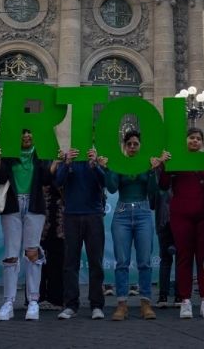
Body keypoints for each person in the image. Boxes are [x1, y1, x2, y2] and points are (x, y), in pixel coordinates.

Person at [157, 128, 204, 319]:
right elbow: (163, 185)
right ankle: (185, 301)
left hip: (203, 217)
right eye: (191, 138)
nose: (195, 141)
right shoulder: (175, 159)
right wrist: (164, 165)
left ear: (202, 142)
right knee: (183, 258)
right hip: (180, 216)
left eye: (198, 139)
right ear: (185, 141)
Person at [0, 129, 53, 321]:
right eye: (23, 132)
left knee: (32, 252)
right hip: (12, 205)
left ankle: (33, 300)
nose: (27, 136)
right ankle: (8, 301)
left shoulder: (40, 153)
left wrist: (57, 161)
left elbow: (46, 178)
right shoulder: (9, 154)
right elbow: (2, 178)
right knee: (11, 254)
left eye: (30, 133)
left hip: (34, 205)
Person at [105, 131, 160, 321]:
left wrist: (153, 171)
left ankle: (146, 304)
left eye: (136, 144)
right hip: (122, 213)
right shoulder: (119, 163)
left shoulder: (146, 164)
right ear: (124, 146)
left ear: (140, 146)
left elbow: (152, 191)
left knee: (144, 261)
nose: (132, 147)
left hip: (143, 211)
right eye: (129, 144)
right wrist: (109, 168)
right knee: (122, 262)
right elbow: (112, 187)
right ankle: (122, 305)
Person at [53, 147, 108, 320]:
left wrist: (96, 165)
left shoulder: (96, 158)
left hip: (94, 215)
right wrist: (67, 163)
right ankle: (70, 305)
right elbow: (58, 182)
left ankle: (97, 305)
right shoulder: (69, 158)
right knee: (70, 263)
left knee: (95, 262)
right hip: (71, 215)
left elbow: (106, 182)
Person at [39, 167, 65, 311]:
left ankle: (57, 298)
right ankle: (37, 297)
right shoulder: (42, 158)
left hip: (60, 214)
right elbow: (42, 178)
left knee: (58, 257)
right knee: (39, 255)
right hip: (42, 210)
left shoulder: (67, 159)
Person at [153, 186, 179, 308]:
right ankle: (166, 295)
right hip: (165, 220)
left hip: (176, 218)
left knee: (177, 258)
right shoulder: (157, 174)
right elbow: (153, 202)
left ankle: (175, 294)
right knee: (167, 258)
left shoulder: (160, 173)